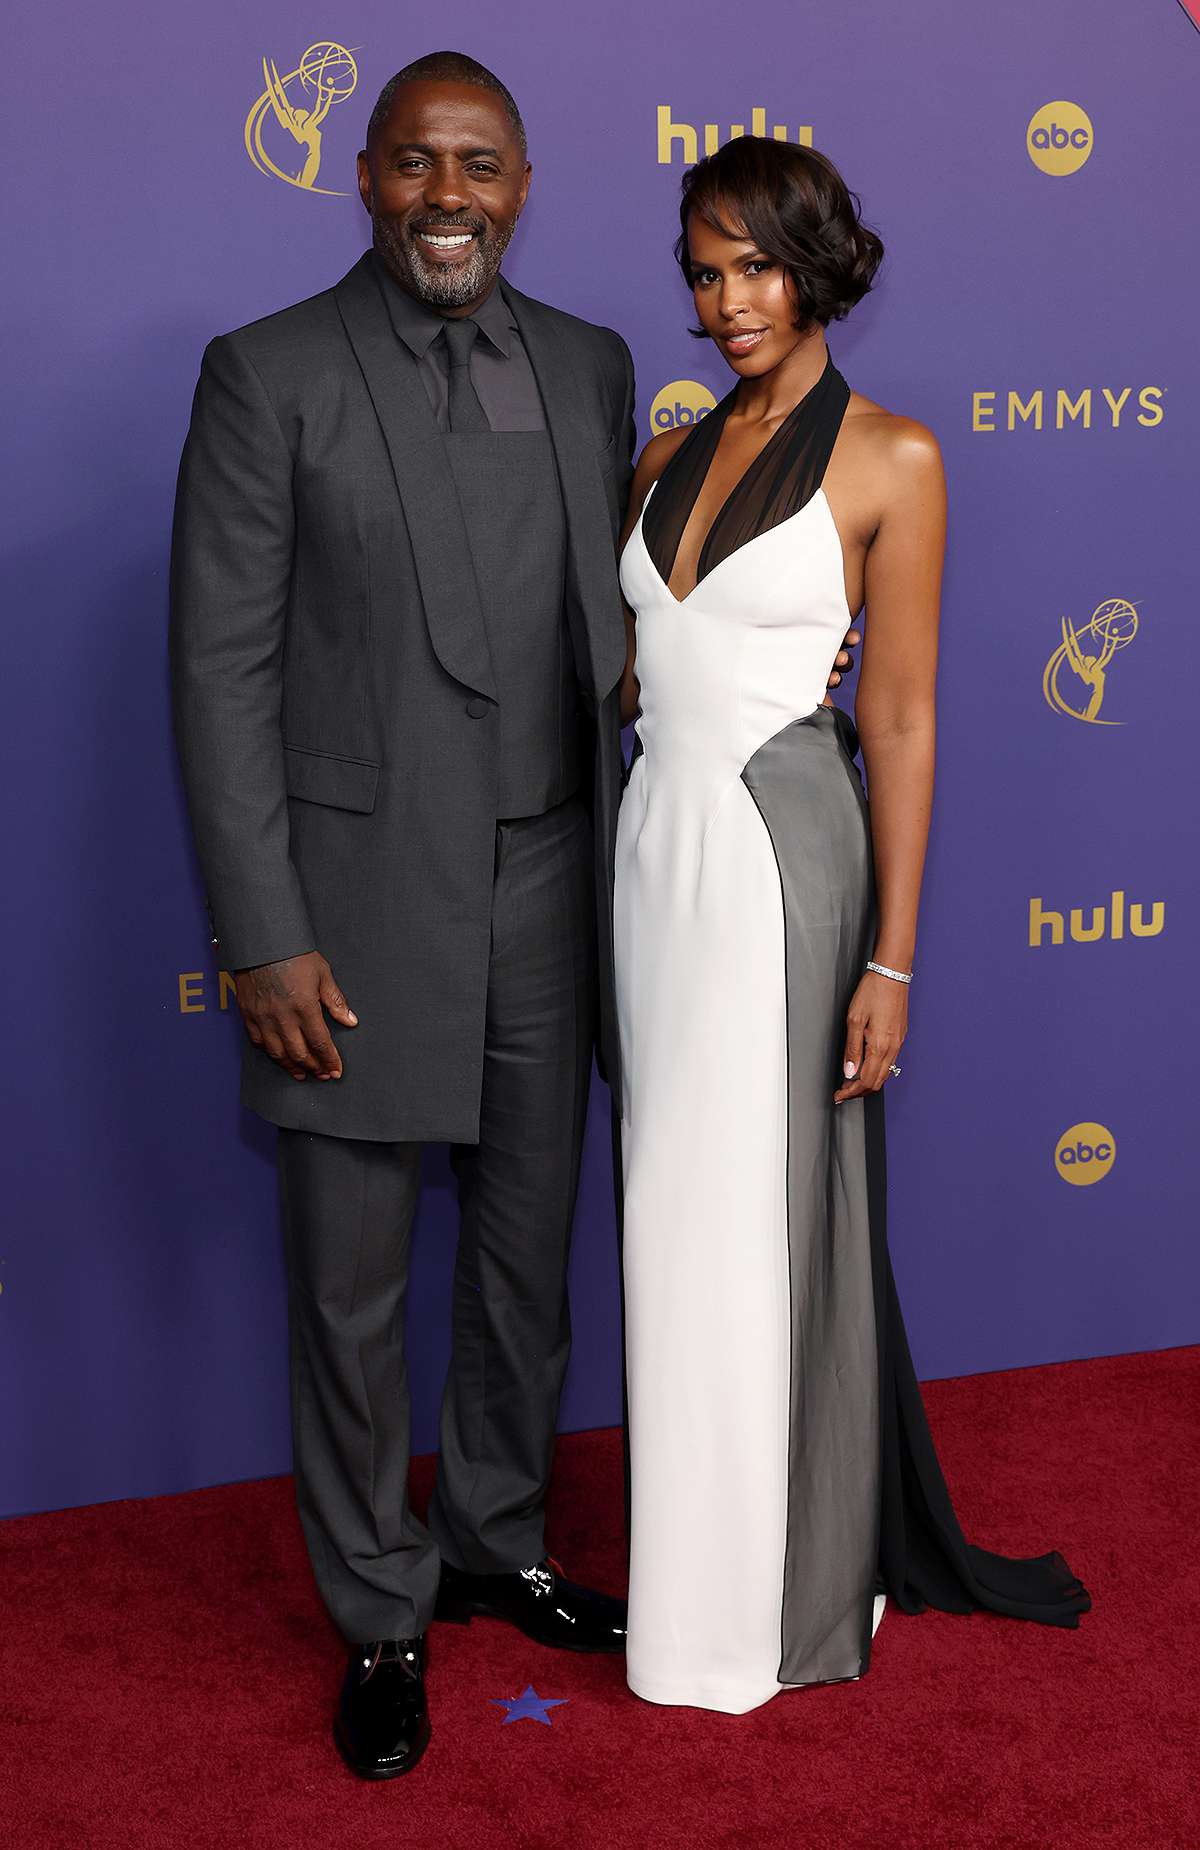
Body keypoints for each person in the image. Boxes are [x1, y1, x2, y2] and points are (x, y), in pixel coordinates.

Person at [170, 51, 864, 1776]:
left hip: (561, 881)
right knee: (347, 1288)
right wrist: (261, 930)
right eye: (416, 164)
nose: (449, 195)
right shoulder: (269, 374)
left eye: (479, 163)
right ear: (366, 179)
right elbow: (219, 672)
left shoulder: (594, 364)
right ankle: (380, 1608)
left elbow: (630, 615)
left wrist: (775, 666)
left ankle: (493, 1534)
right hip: (347, 904)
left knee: (525, 1253)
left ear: (528, 181)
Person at [613, 135, 1090, 1715]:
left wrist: (892, 952)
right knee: (672, 1217)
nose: (727, 298)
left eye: (755, 263)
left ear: (818, 265)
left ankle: (775, 1599)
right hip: (655, 857)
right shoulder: (662, 458)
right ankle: (689, 1569)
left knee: (760, 1218)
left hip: (776, 861)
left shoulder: (894, 457)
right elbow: (644, 672)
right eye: (703, 267)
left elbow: (898, 719)